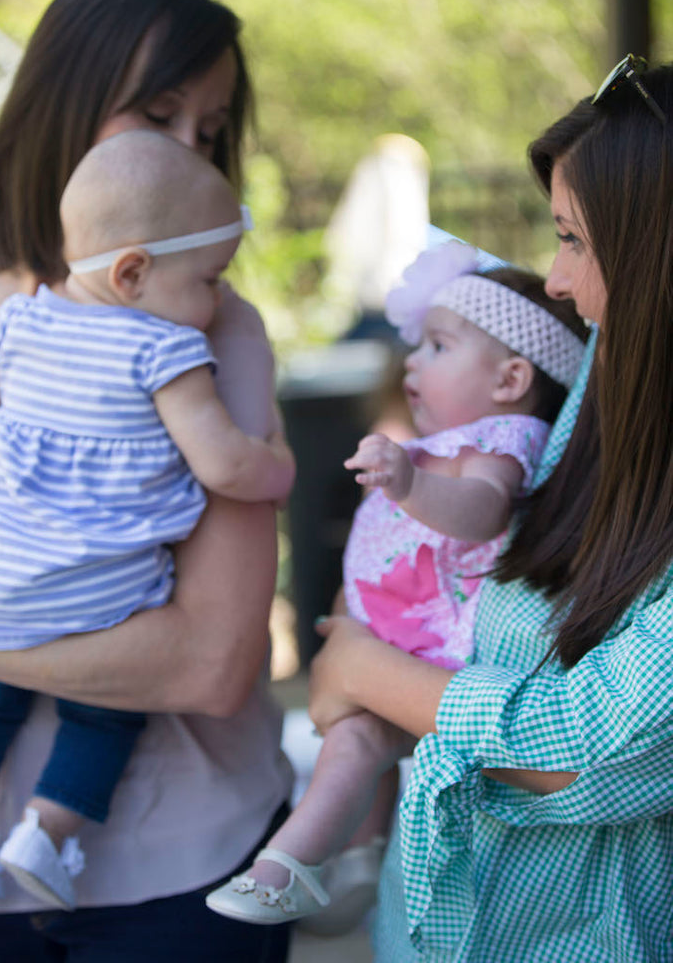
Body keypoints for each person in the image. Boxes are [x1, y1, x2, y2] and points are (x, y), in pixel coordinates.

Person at [306, 57, 673, 962]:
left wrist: (363, 669)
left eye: (575, 240)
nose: (552, 278)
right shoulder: (606, 367)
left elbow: (599, 746)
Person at [0, 0, 294, 962]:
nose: (187, 150)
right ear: (65, 95)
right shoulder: (14, 325)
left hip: (173, 869)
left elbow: (209, 663)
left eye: (207, 130)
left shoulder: (205, 329)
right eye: (158, 113)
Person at [204, 241, 588, 926]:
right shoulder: (451, 440)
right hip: (401, 634)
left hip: (440, 646)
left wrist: (409, 484)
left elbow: (480, 514)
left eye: (437, 346)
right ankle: (353, 855)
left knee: (356, 741)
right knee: (355, 746)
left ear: (509, 379)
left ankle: (286, 865)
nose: (410, 360)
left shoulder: (501, 441)